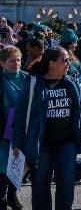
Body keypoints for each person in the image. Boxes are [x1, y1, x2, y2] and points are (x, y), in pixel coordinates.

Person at [13, 47, 81, 210]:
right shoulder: (33, 83)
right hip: (40, 144)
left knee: (67, 181)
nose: (69, 63)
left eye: (69, 59)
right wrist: (18, 144)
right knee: (40, 182)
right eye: (65, 60)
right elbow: (20, 116)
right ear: (51, 63)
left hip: (67, 142)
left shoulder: (71, 82)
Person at [0, 47, 27, 209]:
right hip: (4, 127)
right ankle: (2, 198)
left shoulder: (27, 78)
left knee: (18, 164)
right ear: (2, 63)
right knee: (3, 165)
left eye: (18, 59)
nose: (16, 63)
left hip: (23, 127)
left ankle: (12, 195)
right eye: (11, 60)